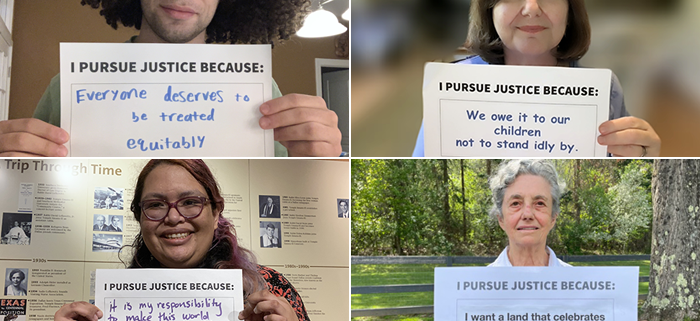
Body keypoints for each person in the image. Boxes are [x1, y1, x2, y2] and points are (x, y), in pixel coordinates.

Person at [0, 0, 342, 157]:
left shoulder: (262, 91)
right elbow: (32, 194)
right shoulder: (68, 87)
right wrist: (10, 172)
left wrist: (319, 165)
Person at [54, 159, 308, 321]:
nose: (173, 218)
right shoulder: (110, 306)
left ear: (216, 211)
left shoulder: (271, 289)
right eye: (155, 205)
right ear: (139, 217)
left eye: (189, 202)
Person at [413, 0, 661, 157]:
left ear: (570, 8)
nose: (532, 7)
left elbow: (620, 161)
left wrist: (645, 158)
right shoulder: (448, 88)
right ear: (489, 8)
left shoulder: (606, 90)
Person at [488, 159, 569, 267]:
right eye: (516, 203)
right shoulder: (479, 282)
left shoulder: (577, 281)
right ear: (501, 219)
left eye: (539, 203)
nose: (527, 214)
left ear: (553, 217)